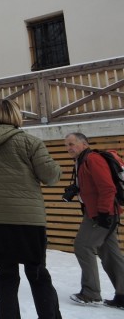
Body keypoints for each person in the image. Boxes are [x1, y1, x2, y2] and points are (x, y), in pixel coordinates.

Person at [0, 98, 62, 319]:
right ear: (17, 116)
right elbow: (50, 176)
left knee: (6, 276)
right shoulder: (30, 142)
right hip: (28, 221)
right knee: (37, 274)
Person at [64, 132, 124, 308]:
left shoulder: (92, 159)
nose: (68, 148)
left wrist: (104, 214)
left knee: (83, 246)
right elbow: (91, 184)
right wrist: (75, 189)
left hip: (101, 214)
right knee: (110, 254)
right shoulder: (82, 161)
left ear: (84, 144)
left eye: (71, 144)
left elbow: (107, 187)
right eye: (66, 145)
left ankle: (90, 293)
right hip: (101, 212)